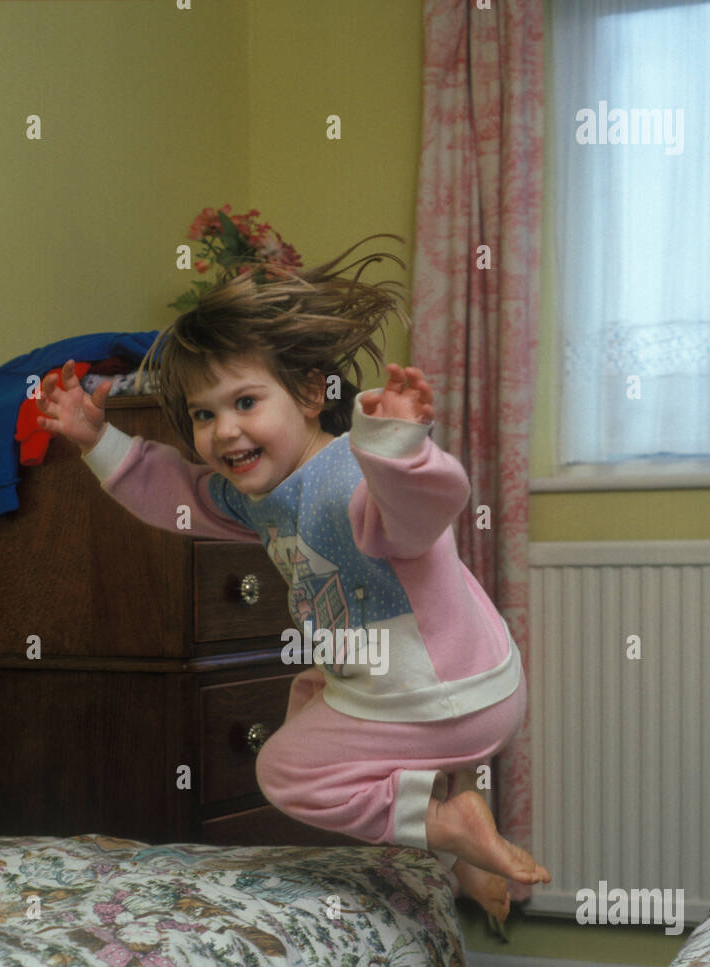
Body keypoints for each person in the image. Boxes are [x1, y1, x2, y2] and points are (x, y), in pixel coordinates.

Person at [37, 239, 550, 923]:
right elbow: (177, 494)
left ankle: (445, 822)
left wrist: (397, 451)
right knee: (311, 692)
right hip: (451, 686)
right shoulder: (265, 493)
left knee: (286, 770)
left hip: (440, 689)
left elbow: (426, 509)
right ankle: (459, 854)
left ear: (311, 393)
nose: (223, 431)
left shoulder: (346, 481)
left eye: (246, 401)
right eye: (204, 414)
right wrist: (96, 439)